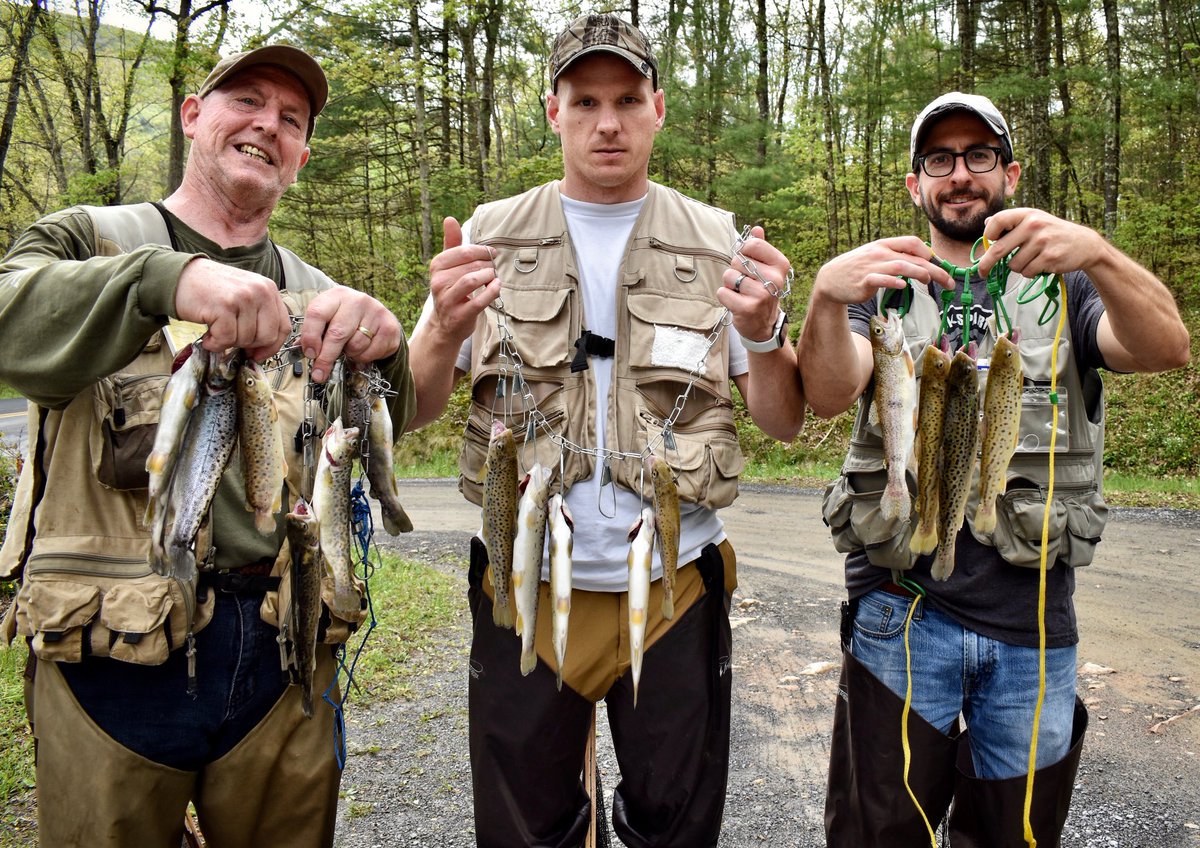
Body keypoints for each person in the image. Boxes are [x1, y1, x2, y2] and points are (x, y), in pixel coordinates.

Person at [0, 45, 416, 847]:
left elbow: (376, 422)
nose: (268, 124)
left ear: (300, 156)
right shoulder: (86, 237)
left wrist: (389, 345)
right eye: (247, 101)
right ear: (194, 114)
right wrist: (162, 280)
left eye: (290, 120)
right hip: (109, 658)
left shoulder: (318, 289)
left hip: (283, 651)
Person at [407, 13, 805, 847]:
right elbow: (415, 405)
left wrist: (767, 331)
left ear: (659, 106)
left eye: (627, 98)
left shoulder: (717, 240)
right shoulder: (485, 235)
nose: (608, 122)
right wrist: (441, 329)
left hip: (676, 586)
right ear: (552, 111)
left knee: (676, 829)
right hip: (523, 588)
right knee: (524, 832)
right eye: (584, 100)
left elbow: (784, 417)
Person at [798, 91, 1190, 846]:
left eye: (979, 156)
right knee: (877, 835)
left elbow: (1166, 347)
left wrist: (1100, 253)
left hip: (1033, 627)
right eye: (939, 160)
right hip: (899, 614)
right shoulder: (880, 286)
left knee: (1015, 837)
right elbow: (825, 394)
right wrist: (824, 295)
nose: (959, 175)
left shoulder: (1068, 284)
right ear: (917, 185)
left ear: (1009, 173)